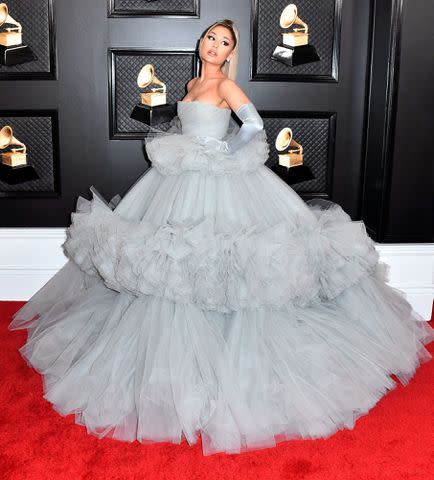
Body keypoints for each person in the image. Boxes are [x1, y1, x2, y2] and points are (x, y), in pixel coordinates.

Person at [8, 19, 434, 457]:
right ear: (201, 42)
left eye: (224, 42)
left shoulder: (227, 88)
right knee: (176, 262)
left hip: (220, 180)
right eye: (211, 37)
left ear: (231, 52)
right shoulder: (192, 82)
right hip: (178, 180)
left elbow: (252, 126)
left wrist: (223, 152)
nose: (215, 45)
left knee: (223, 259)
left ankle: (233, 356)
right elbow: (189, 126)